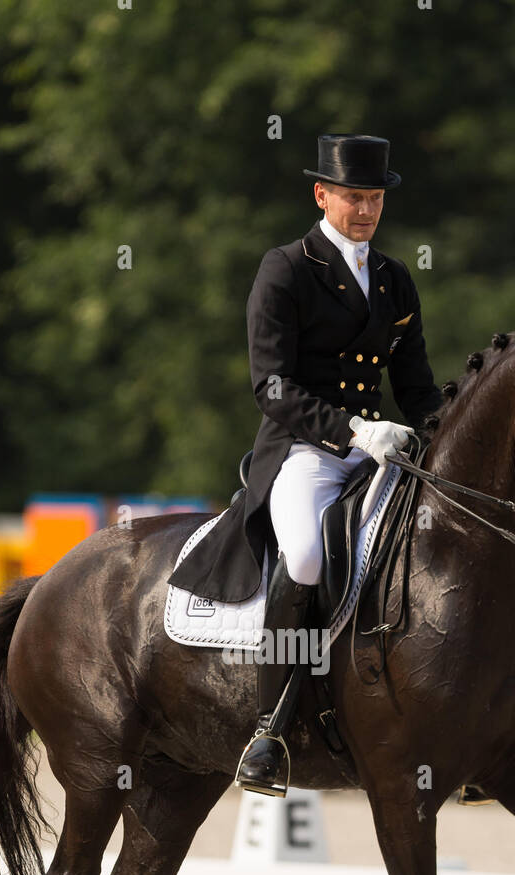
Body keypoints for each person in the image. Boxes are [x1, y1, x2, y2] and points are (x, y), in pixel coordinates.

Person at [169, 133, 443, 794]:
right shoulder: (286, 268)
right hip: (305, 452)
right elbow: (271, 386)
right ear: (322, 195)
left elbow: (417, 388)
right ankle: (269, 730)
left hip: (378, 452)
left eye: (374, 198)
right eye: (353, 197)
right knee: (307, 557)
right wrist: (352, 430)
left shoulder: (393, 279)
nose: (365, 210)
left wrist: (445, 434)